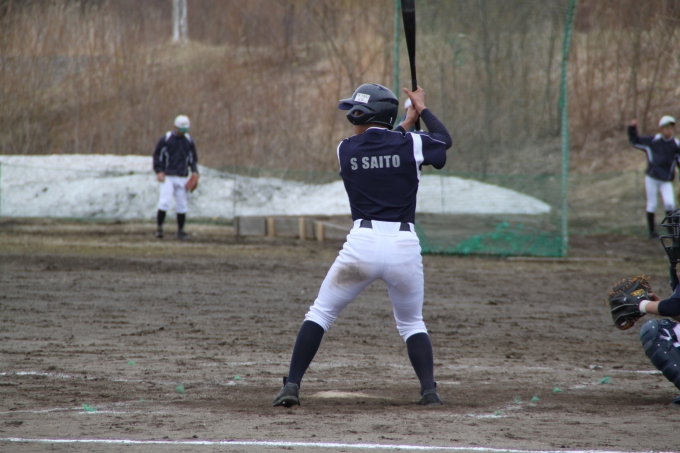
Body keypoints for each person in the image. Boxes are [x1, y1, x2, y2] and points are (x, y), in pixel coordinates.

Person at [271, 83, 452, 408]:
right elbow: (443, 143)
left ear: (365, 115)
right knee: (412, 323)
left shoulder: (346, 149)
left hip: (361, 245)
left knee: (320, 314)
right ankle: (429, 391)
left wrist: (406, 125)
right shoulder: (411, 145)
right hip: (403, 245)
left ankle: (292, 386)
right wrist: (421, 109)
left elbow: (380, 147)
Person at [627, 116, 680, 238]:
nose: (668, 130)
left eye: (670, 128)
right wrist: (632, 129)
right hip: (652, 178)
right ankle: (652, 232)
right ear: (661, 129)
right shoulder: (653, 141)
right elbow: (635, 141)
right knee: (652, 204)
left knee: (670, 204)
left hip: (666, 179)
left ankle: (671, 231)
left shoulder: (676, 144)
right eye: (666, 128)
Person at [152, 115, 199, 239]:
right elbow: (157, 156)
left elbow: (193, 158)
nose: (182, 133)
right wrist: (159, 171)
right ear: (174, 127)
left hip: (182, 176)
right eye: (180, 130)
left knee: (182, 204)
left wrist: (194, 172)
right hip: (168, 176)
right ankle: (159, 228)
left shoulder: (188, 140)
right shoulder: (166, 139)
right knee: (165, 201)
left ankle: (181, 231)